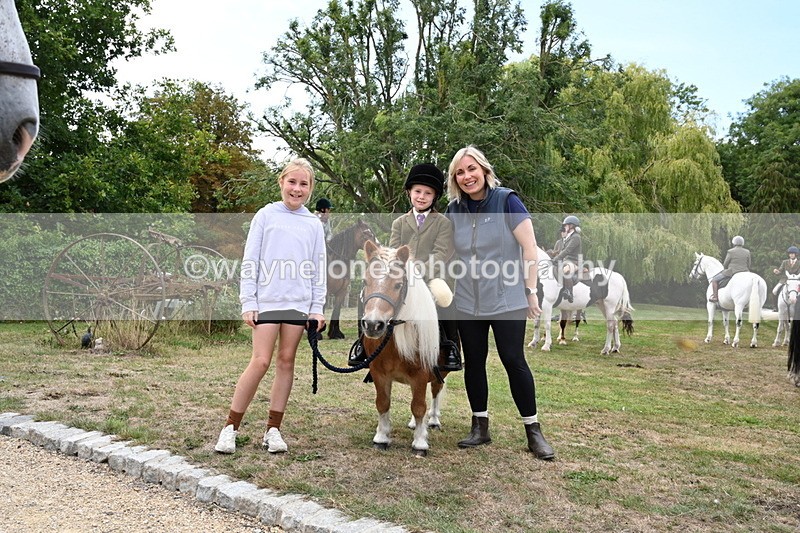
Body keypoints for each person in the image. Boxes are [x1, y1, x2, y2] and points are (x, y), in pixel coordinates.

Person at [444, 145, 555, 461]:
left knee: (513, 359)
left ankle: (533, 431)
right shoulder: (453, 210)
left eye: (472, 169)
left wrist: (530, 291)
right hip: (467, 301)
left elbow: (530, 249)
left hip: (508, 298)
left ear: (484, 170)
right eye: (460, 172)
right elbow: (445, 252)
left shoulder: (507, 201)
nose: (467, 176)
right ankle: (480, 426)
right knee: (474, 362)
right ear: (455, 179)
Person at [215, 158, 327, 455]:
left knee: (286, 361)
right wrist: (249, 301)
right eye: (292, 182)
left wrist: (317, 307)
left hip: (298, 303)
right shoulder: (266, 215)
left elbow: (318, 268)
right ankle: (230, 428)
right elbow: (250, 260)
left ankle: (273, 430)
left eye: (303, 184)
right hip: (267, 300)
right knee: (261, 361)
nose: (297, 189)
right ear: (281, 182)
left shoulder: (313, 224)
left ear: (310, 188)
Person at [347, 163, 462, 372]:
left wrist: (417, 271)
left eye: (428, 193)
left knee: (444, 295)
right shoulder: (399, 222)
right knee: (367, 292)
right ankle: (362, 344)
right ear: (409, 192)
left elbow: (440, 255)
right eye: (418, 191)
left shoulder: (442, 223)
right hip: (399, 275)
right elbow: (391, 252)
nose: (422, 196)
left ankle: (450, 345)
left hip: (431, 276)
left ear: (435, 197)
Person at [550, 215, 582, 302]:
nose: (564, 227)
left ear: (571, 226)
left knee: (565, 270)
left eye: (566, 225)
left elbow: (567, 250)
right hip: (566, 261)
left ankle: (569, 292)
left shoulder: (576, 237)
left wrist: (556, 259)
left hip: (574, 262)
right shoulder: (568, 237)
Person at [709, 235, 751, 302]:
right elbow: (749, 264)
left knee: (714, 280)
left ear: (734, 243)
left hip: (732, 272)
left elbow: (725, 264)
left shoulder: (730, 251)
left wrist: (726, 268)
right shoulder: (747, 252)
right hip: (745, 271)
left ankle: (715, 297)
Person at [771, 245, 800, 311]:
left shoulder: (799, 263)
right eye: (790, 254)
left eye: (792, 254)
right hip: (785, 280)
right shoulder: (785, 262)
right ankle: (775, 307)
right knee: (774, 290)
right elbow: (780, 270)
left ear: (796, 254)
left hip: (796, 280)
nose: (791, 255)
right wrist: (777, 271)